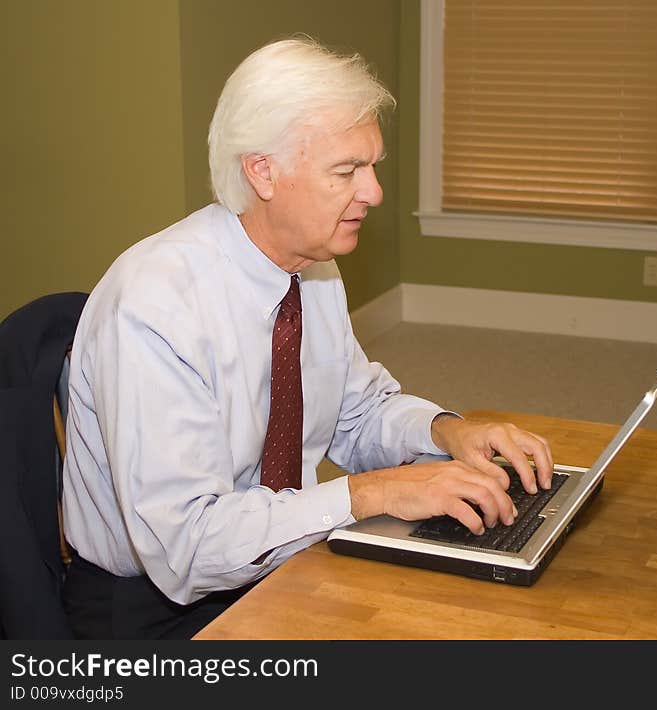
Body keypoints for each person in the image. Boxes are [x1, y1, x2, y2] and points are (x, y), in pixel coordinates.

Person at [61, 36, 554, 640]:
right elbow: (188, 547)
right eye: (347, 170)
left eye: (372, 167)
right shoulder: (155, 306)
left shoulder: (312, 269)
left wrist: (449, 432)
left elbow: (356, 411)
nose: (373, 192)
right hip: (153, 610)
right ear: (262, 171)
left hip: (282, 554)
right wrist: (376, 492)